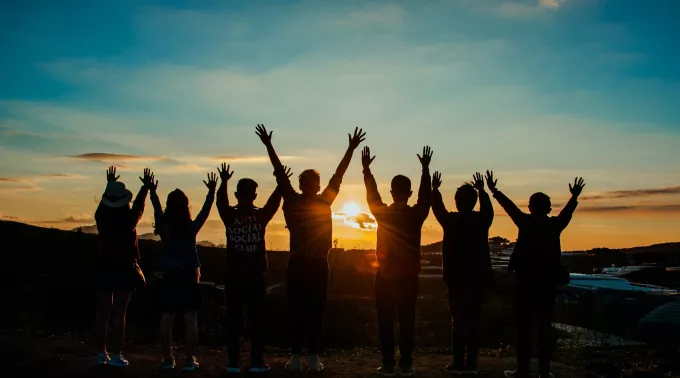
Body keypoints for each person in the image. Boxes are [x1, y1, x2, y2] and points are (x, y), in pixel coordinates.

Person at [255, 124, 366, 372]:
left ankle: (295, 358)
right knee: (316, 310)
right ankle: (314, 359)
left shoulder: (293, 201)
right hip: (317, 264)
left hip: (297, 263)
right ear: (316, 185)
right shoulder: (324, 201)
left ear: (302, 184)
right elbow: (339, 174)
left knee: (295, 310)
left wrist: (268, 145)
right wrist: (350, 148)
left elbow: (279, 173)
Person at [488, 173, 585, 378]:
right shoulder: (554, 226)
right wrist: (574, 197)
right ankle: (544, 371)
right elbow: (566, 213)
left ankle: (522, 370)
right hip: (546, 285)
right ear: (548, 208)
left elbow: (510, 207)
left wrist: (495, 191)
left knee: (524, 329)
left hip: (525, 283)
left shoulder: (525, 222)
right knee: (544, 328)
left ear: (530, 207)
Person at [362, 145, 433, 377]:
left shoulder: (383, 213)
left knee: (386, 320)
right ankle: (406, 364)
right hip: (409, 276)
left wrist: (366, 171)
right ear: (409, 193)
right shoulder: (416, 215)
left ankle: (388, 363)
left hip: (384, 276)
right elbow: (426, 198)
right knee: (407, 320)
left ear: (392, 192)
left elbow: (372, 195)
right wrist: (425, 170)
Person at [216, 162, 291, 374]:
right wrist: (280, 183)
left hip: (233, 275)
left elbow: (220, 203)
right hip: (256, 276)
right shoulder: (260, 216)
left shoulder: (230, 216)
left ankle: (232, 362)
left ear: (237, 194)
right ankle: (257, 361)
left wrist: (222, 182)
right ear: (254, 195)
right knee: (257, 320)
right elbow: (274, 203)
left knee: (233, 319)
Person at [150, 171, 217, 371]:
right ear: (186, 206)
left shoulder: (163, 226)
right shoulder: (190, 227)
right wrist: (211, 192)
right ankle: (189, 360)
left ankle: (168, 358)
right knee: (190, 319)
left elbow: (155, 209)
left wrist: (152, 191)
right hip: (188, 276)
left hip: (169, 275)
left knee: (166, 319)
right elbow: (205, 212)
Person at [431, 171, 494, 375]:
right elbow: (489, 211)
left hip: (456, 280)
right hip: (477, 279)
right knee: (474, 322)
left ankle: (458, 362)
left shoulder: (451, 221)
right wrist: (483, 191)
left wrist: (435, 189)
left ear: (457, 202)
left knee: (457, 322)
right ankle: (472, 363)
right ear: (474, 202)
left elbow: (437, 208)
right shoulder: (482, 220)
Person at [93, 166, 152, 367]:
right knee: (120, 312)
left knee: (103, 313)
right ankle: (117, 354)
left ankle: (101, 353)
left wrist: (109, 184)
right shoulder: (129, 219)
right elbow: (139, 207)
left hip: (104, 265)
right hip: (125, 267)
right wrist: (145, 188)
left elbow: (106, 204)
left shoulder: (100, 216)